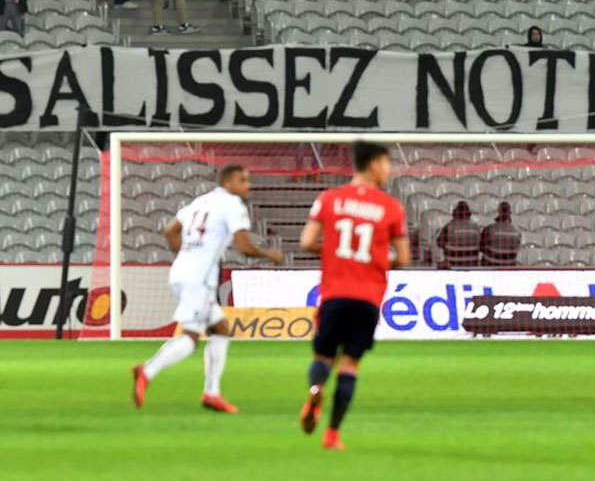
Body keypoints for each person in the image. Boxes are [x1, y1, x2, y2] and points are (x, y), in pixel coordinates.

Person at [132, 165, 284, 412]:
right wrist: (270, 254)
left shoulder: (200, 201)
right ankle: (146, 371)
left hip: (182, 271)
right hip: (199, 278)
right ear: (227, 182)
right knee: (190, 337)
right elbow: (243, 245)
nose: (248, 185)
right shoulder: (233, 205)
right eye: (242, 180)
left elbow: (170, 230)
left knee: (222, 329)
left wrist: (188, 253)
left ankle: (212, 393)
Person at [298, 142, 411, 450]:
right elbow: (403, 258)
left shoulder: (328, 199)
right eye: (387, 163)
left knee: (323, 357)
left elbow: (307, 242)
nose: (389, 170)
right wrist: (371, 258)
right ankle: (332, 434)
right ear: (374, 163)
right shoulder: (391, 208)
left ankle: (315, 388)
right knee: (349, 365)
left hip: (334, 295)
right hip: (368, 298)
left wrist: (337, 255)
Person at [436, 201, 480, 267]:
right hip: (472, 264)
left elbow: (440, 243)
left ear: (454, 213)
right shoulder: (476, 227)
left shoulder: (449, 226)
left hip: (453, 264)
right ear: (469, 213)